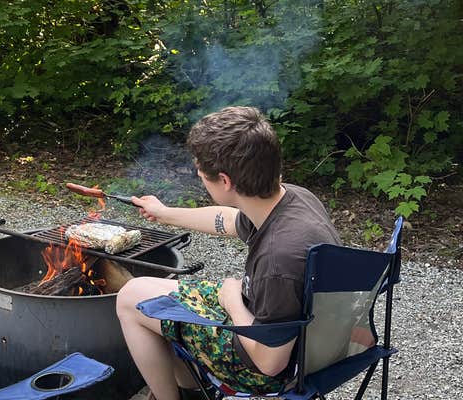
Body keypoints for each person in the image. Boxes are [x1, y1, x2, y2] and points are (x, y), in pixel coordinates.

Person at [116, 106, 341, 400]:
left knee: (130, 304)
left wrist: (233, 300)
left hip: (260, 365)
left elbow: (269, 362)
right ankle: (191, 391)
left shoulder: (279, 258)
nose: (201, 180)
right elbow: (227, 221)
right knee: (138, 290)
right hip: (301, 336)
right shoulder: (291, 199)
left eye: (202, 176)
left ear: (225, 181)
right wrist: (165, 213)